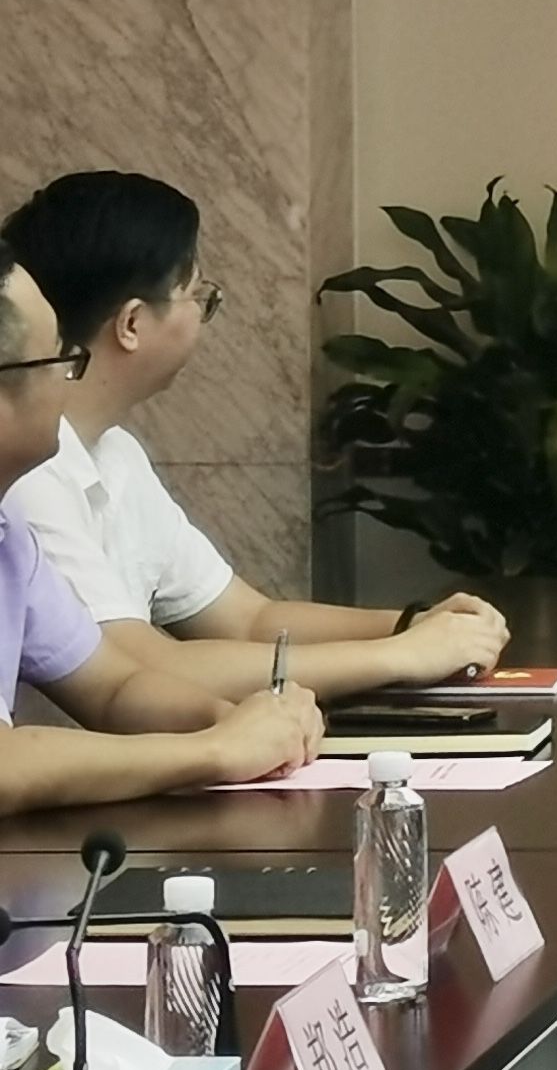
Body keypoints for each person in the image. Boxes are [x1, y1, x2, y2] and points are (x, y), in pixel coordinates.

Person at [0, 172, 510, 690]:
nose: (204, 316)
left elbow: (248, 619)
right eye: (198, 297)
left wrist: (415, 626)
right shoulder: (28, 474)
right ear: (132, 324)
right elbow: (139, 671)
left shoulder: (115, 452)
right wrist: (399, 656)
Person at [0, 244, 319, 806]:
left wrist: (239, 720)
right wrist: (214, 750)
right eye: (57, 360)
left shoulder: (10, 536)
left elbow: (114, 687)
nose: (70, 379)